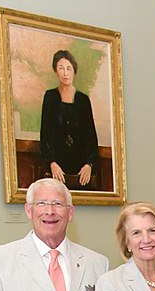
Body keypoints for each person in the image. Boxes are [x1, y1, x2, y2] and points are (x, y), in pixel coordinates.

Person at [39, 50, 98, 188]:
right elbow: (45, 133)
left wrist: (89, 164)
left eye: (69, 68)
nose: (65, 73)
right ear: (56, 71)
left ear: (74, 71)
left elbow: (90, 135)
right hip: (56, 166)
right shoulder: (50, 97)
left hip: (81, 166)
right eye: (61, 68)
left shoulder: (83, 100)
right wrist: (52, 163)